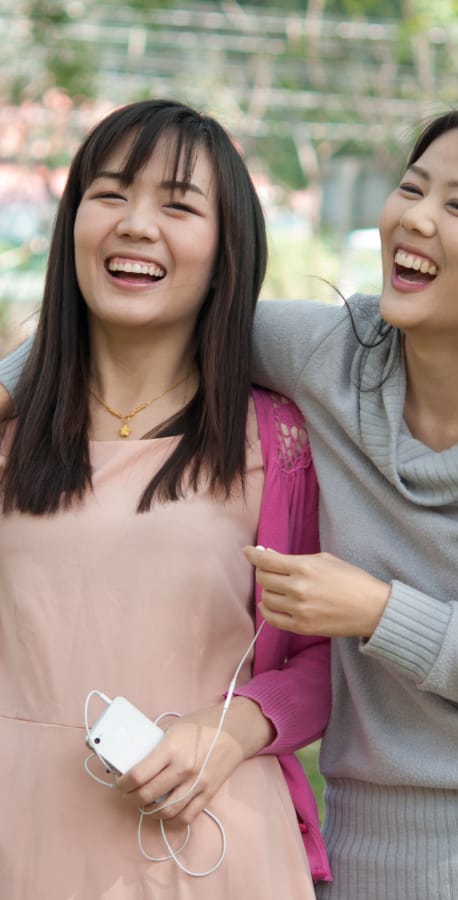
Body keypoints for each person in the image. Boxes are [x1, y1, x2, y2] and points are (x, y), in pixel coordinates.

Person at [0, 99, 331, 899]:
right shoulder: (11, 434)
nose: (136, 224)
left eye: (178, 205)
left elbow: (338, 651)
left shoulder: (278, 439)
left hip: (208, 844)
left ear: (225, 253)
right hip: (23, 832)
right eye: (109, 194)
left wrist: (234, 729)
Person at [241, 109, 458, 898]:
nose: (414, 217)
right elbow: (153, 321)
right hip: (357, 857)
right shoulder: (334, 356)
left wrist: (383, 613)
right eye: (411, 187)